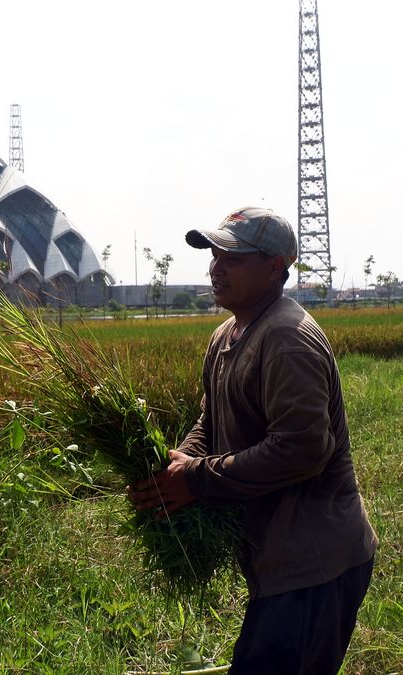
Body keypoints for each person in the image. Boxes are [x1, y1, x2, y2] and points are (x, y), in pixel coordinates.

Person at [129, 206, 377, 674]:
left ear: (275, 267)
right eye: (215, 254)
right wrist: (180, 462)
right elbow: (211, 419)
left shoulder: (286, 339)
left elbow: (302, 449)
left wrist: (196, 480)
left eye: (233, 257)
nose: (216, 266)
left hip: (314, 562)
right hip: (279, 558)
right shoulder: (228, 334)